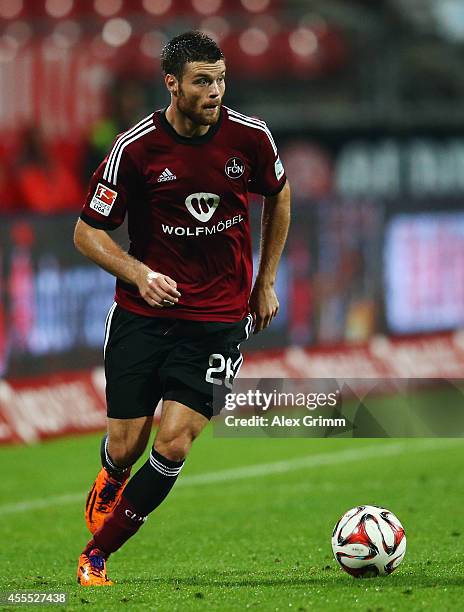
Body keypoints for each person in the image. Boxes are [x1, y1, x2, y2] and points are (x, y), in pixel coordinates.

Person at [74, 30, 291, 586]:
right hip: (144, 315)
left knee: (174, 441)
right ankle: (111, 472)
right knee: (127, 444)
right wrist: (139, 274)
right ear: (172, 84)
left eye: (220, 79)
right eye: (201, 81)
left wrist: (265, 280)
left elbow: (278, 193)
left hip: (219, 319)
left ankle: (96, 554)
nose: (215, 90)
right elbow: (86, 233)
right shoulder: (136, 148)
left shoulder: (251, 137)